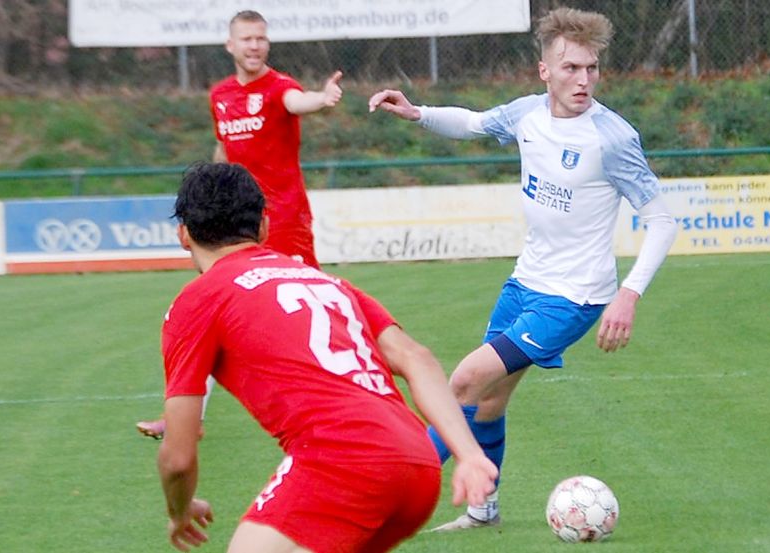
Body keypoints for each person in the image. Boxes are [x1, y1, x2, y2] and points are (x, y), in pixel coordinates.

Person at [368, 7, 678, 531]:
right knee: (488, 402)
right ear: (545, 71)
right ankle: (483, 510)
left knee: (463, 381)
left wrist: (629, 294)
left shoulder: (613, 138)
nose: (583, 80)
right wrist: (416, 112)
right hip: (524, 283)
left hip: (573, 298)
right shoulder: (527, 115)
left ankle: (382, 496)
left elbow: (662, 220)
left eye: (592, 69)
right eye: (571, 68)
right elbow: (471, 123)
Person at [155, 162, 498, 553]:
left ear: (184, 234)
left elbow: (178, 458)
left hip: (341, 462)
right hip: (417, 466)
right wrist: (468, 455)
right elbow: (415, 357)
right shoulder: (325, 282)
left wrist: (180, 511)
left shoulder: (198, 300)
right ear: (264, 227)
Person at [137, 9, 342, 439]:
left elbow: (295, 101)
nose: (255, 46)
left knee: (312, 309)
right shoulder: (220, 95)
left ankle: (344, 395)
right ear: (230, 45)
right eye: (247, 39)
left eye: (261, 39)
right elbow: (223, 148)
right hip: (233, 225)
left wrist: (320, 100)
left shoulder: (279, 87)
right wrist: (207, 193)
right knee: (211, 309)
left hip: (283, 221)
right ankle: (184, 419)